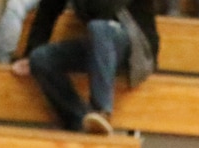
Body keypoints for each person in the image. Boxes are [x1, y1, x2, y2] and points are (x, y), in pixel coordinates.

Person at [14, 0, 160, 134]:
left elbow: (105, 9)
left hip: (136, 44)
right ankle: (80, 121)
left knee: (100, 28)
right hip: (98, 42)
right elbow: (48, 11)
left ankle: (102, 111)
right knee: (40, 58)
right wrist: (30, 53)